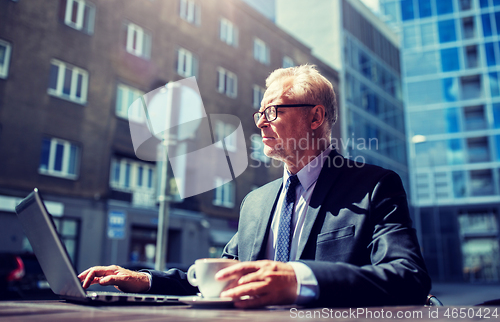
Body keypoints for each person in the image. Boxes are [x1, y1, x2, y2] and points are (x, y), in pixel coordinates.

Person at [79, 65, 431, 308]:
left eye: (274, 111)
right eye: (259, 113)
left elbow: (408, 277)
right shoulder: (255, 202)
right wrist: (145, 280)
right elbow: (218, 276)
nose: (261, 123)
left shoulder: (374, 187)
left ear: (316, 117)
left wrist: (298, 279)